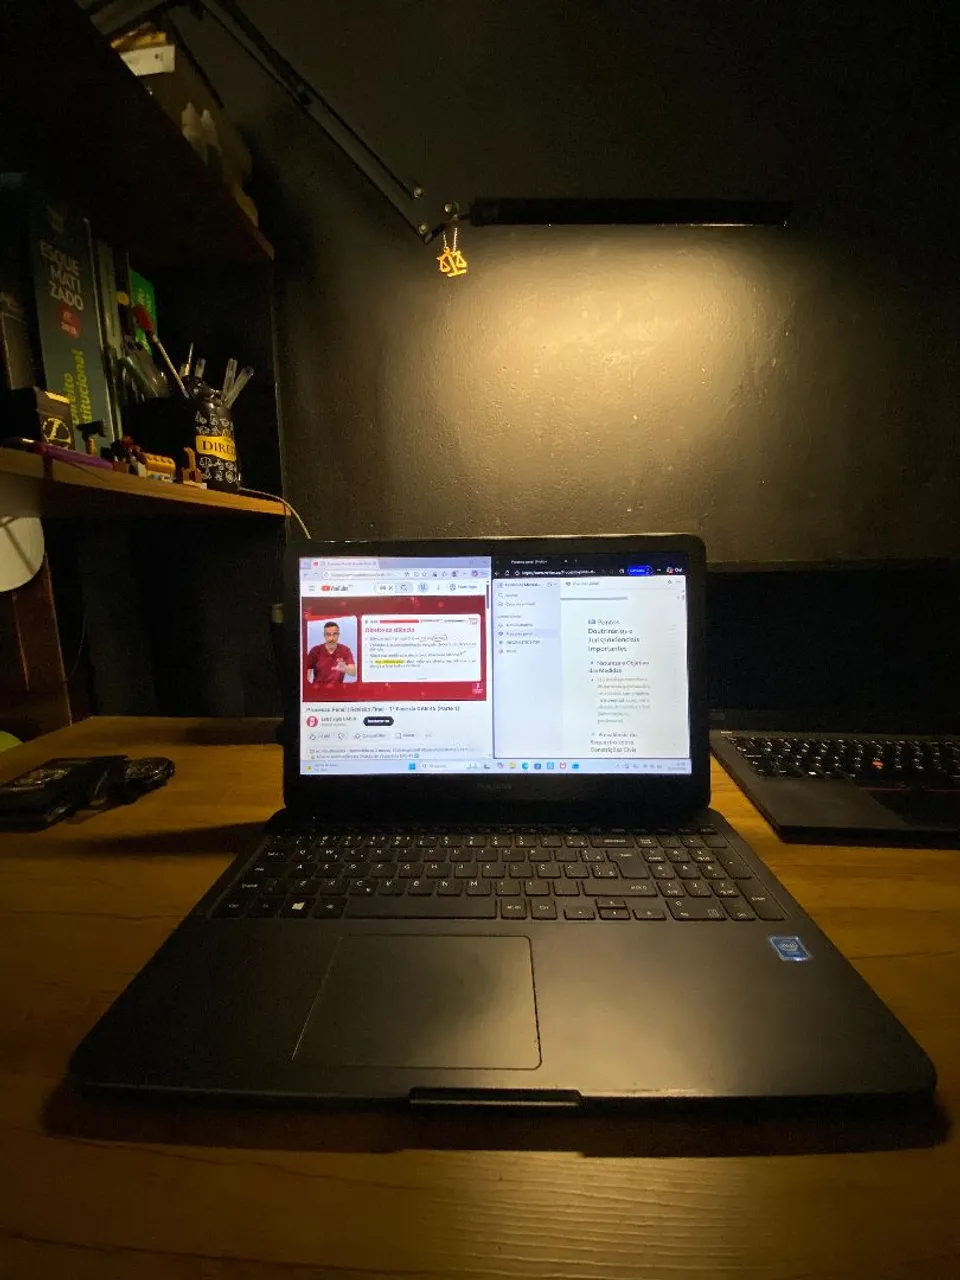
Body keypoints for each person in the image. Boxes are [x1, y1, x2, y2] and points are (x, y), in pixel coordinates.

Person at [305, 621, 356, 687]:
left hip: (337, 691)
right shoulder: (315, 651)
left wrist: (345, 668)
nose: (331, 638)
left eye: (334, 634)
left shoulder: (345, 650)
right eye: (328, 634)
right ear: (324, 635)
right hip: (318, 690)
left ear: (338, 635)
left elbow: (353, 672)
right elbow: (305, 677)